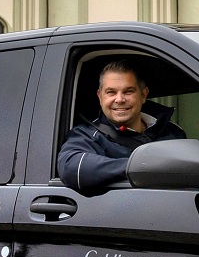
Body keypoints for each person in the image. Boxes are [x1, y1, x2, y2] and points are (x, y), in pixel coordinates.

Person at [57, 59, 188, 195]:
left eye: (128, 91)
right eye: (111, 92)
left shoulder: (172, 131)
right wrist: (140, 166)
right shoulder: (87, 135)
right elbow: (71, 167)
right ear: (100, 97)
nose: (119, 99)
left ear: (143, 95)